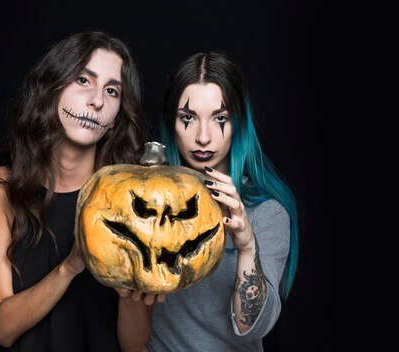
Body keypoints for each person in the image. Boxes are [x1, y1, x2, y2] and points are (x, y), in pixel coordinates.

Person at [117, 51, 299, 351]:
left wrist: (246, 244)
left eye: (220, 119)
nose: (203, 136)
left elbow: (250, 326)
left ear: (239, 123)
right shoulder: (146, 203)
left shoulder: (267, 212)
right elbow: (132, 342)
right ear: (171, 123)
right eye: (188, 118)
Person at [0, 31, 147, 351]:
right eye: (84, 80)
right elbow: (1, 329)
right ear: (52, 89)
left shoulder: (131, 197)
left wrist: (132, 293)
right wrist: (71, 265)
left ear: (114, 120)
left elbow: (134, 344)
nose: (97, 100)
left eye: (112, 91)